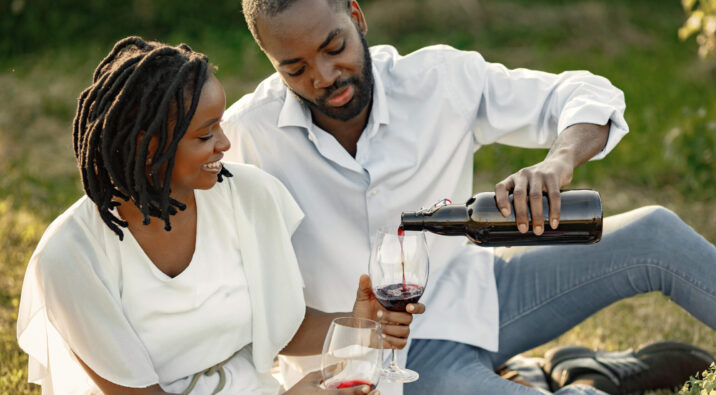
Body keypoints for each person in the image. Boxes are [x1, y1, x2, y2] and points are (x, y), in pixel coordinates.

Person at [222, 0, 716, 394]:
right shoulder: (249, 134)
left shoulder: (439, 80)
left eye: (333, 47)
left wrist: (559, 160)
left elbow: (584, 94)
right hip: (378, 362)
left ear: (356, 14)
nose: (324, 76)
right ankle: (589, 376)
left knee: (654, 232)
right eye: (294, 68)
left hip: (482, 297)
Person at [16, 36, 425, 395]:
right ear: (149, 143)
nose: (225, 143)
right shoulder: (71, 256)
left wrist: (355, 323)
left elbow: (280, 327)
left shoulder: (248, 196)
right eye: (205, 134)